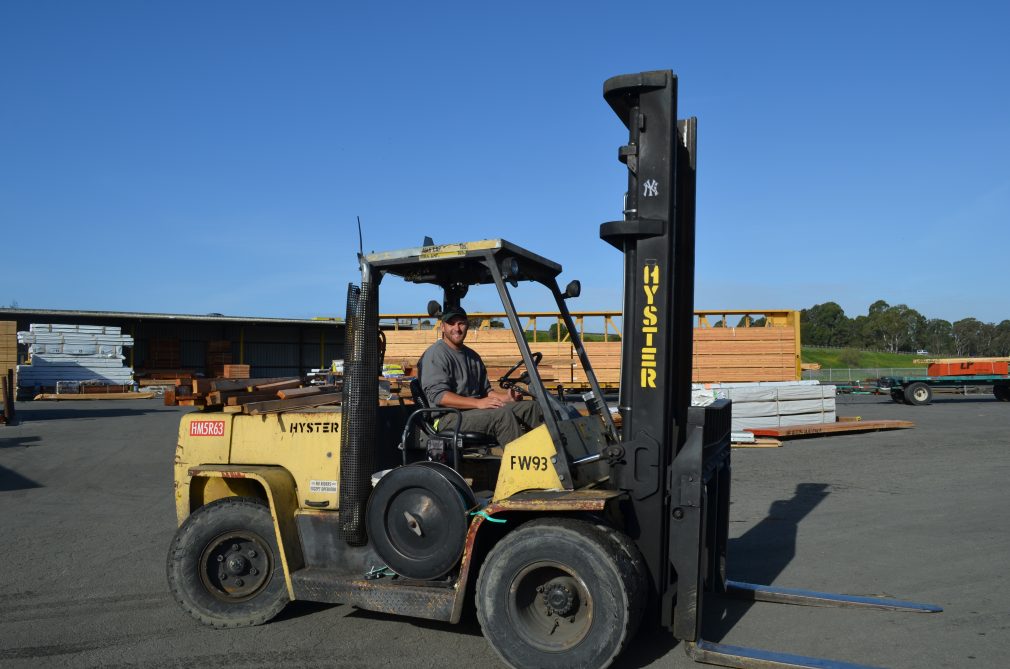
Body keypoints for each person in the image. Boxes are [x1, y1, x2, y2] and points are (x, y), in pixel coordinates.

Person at [417, 306, 543, 445]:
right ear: (442, 327)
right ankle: (522, 463)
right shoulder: (436, 354)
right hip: (449, 417)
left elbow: (486, 392)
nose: (457, 328)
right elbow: (440, 396)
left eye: (461, 323)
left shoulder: (473, 356)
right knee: (501, 415)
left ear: (467, 325)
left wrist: (507, 398)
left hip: (474, 412)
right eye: (451, 323)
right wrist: (478, 403)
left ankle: (549, 457)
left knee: (531, 408)